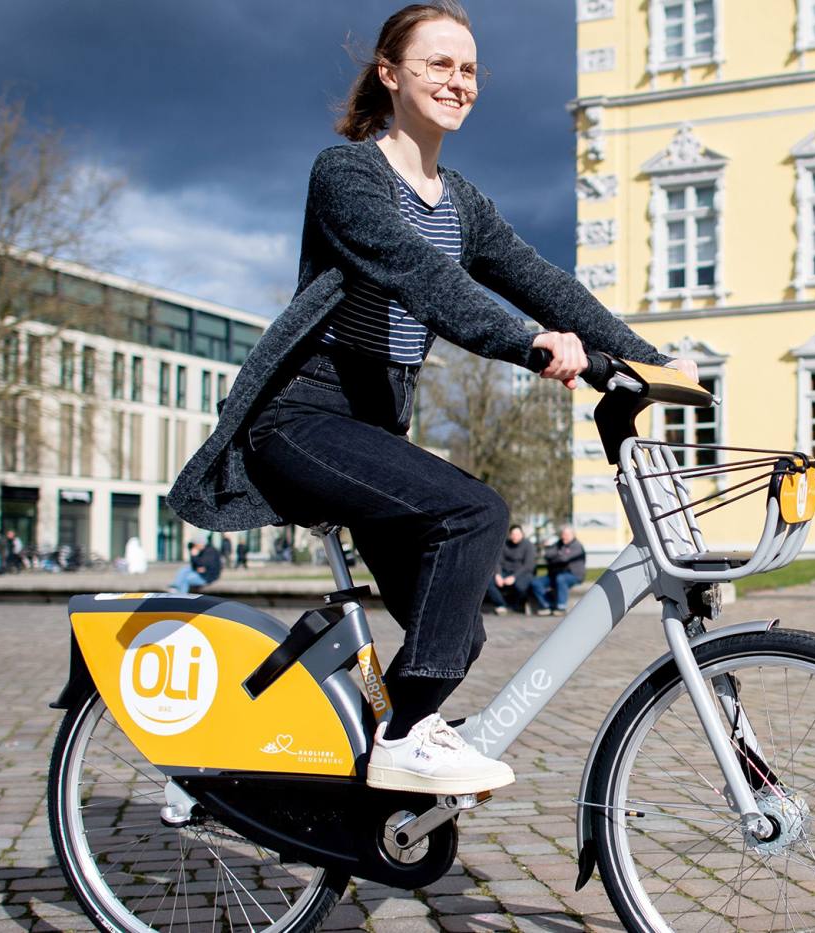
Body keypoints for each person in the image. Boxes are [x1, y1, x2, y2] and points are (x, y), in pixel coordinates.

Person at [165, 1, 696, 796]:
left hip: (372, 429)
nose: (459, 80)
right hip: (302, 419)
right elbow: (423, 275)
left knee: (457, 632)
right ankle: (406, 734)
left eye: (470, 67)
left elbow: (543, 280)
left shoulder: (463, 201)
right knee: (474, 511)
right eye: (439, 64)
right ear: (390, 74)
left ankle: (360, 777)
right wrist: (526, 342)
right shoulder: (347, 174)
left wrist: (647, 363)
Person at [530, 526, 587, 615]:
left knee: (561, 578)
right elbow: (547, 554)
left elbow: (563, 559)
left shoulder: (577, 546)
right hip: (556, 574)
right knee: (536, 582)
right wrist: (557, 554)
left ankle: (561, 607)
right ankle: (547, 605)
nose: (564, 536)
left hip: (574, 575)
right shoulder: (559, 543)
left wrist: (555, 555)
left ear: (573, 535)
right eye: (563, 534)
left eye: (567, 534)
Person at [486, 524, 534, 614]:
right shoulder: (504, 544)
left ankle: (515, 605)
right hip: (505, 572)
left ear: (522, 534)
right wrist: (498, 574)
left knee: (521, 586)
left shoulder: (528, 545)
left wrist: (514, 577)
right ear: (510, 535)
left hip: (522, 573)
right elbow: (497, 561)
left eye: (518, 534)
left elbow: (528, 565)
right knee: (488, 582)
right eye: (513, 534)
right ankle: (501, 605)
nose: (515, 536)